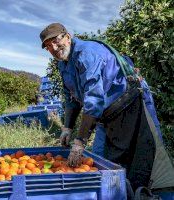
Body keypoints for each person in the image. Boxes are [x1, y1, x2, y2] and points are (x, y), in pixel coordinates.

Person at [39, 22, 163, 190]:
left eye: (55, 41)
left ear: (67, 37)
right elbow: (71, 97)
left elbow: (94, 99)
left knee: (139, 155)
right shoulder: (63, 64)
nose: (53, 48)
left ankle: (145, 191)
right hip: (104, 113)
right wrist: (67, 128)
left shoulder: (87, 54)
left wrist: (80, 141)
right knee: (100, 157)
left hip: (129, 102)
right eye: (48, 46)